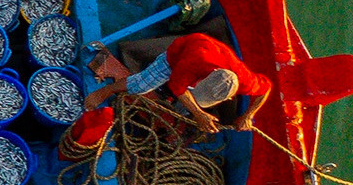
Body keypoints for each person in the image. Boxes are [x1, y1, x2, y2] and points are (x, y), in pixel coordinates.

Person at [85, 30, 272, 137]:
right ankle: (106, 90)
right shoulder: (193, 62)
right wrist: (199, 114)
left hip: (211, 59)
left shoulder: (246, 80)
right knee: (139, 86)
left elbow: (266, 88)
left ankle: (179, 112)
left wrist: (248, 115)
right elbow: (178, 88)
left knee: (186, 105)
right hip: (178, 55)